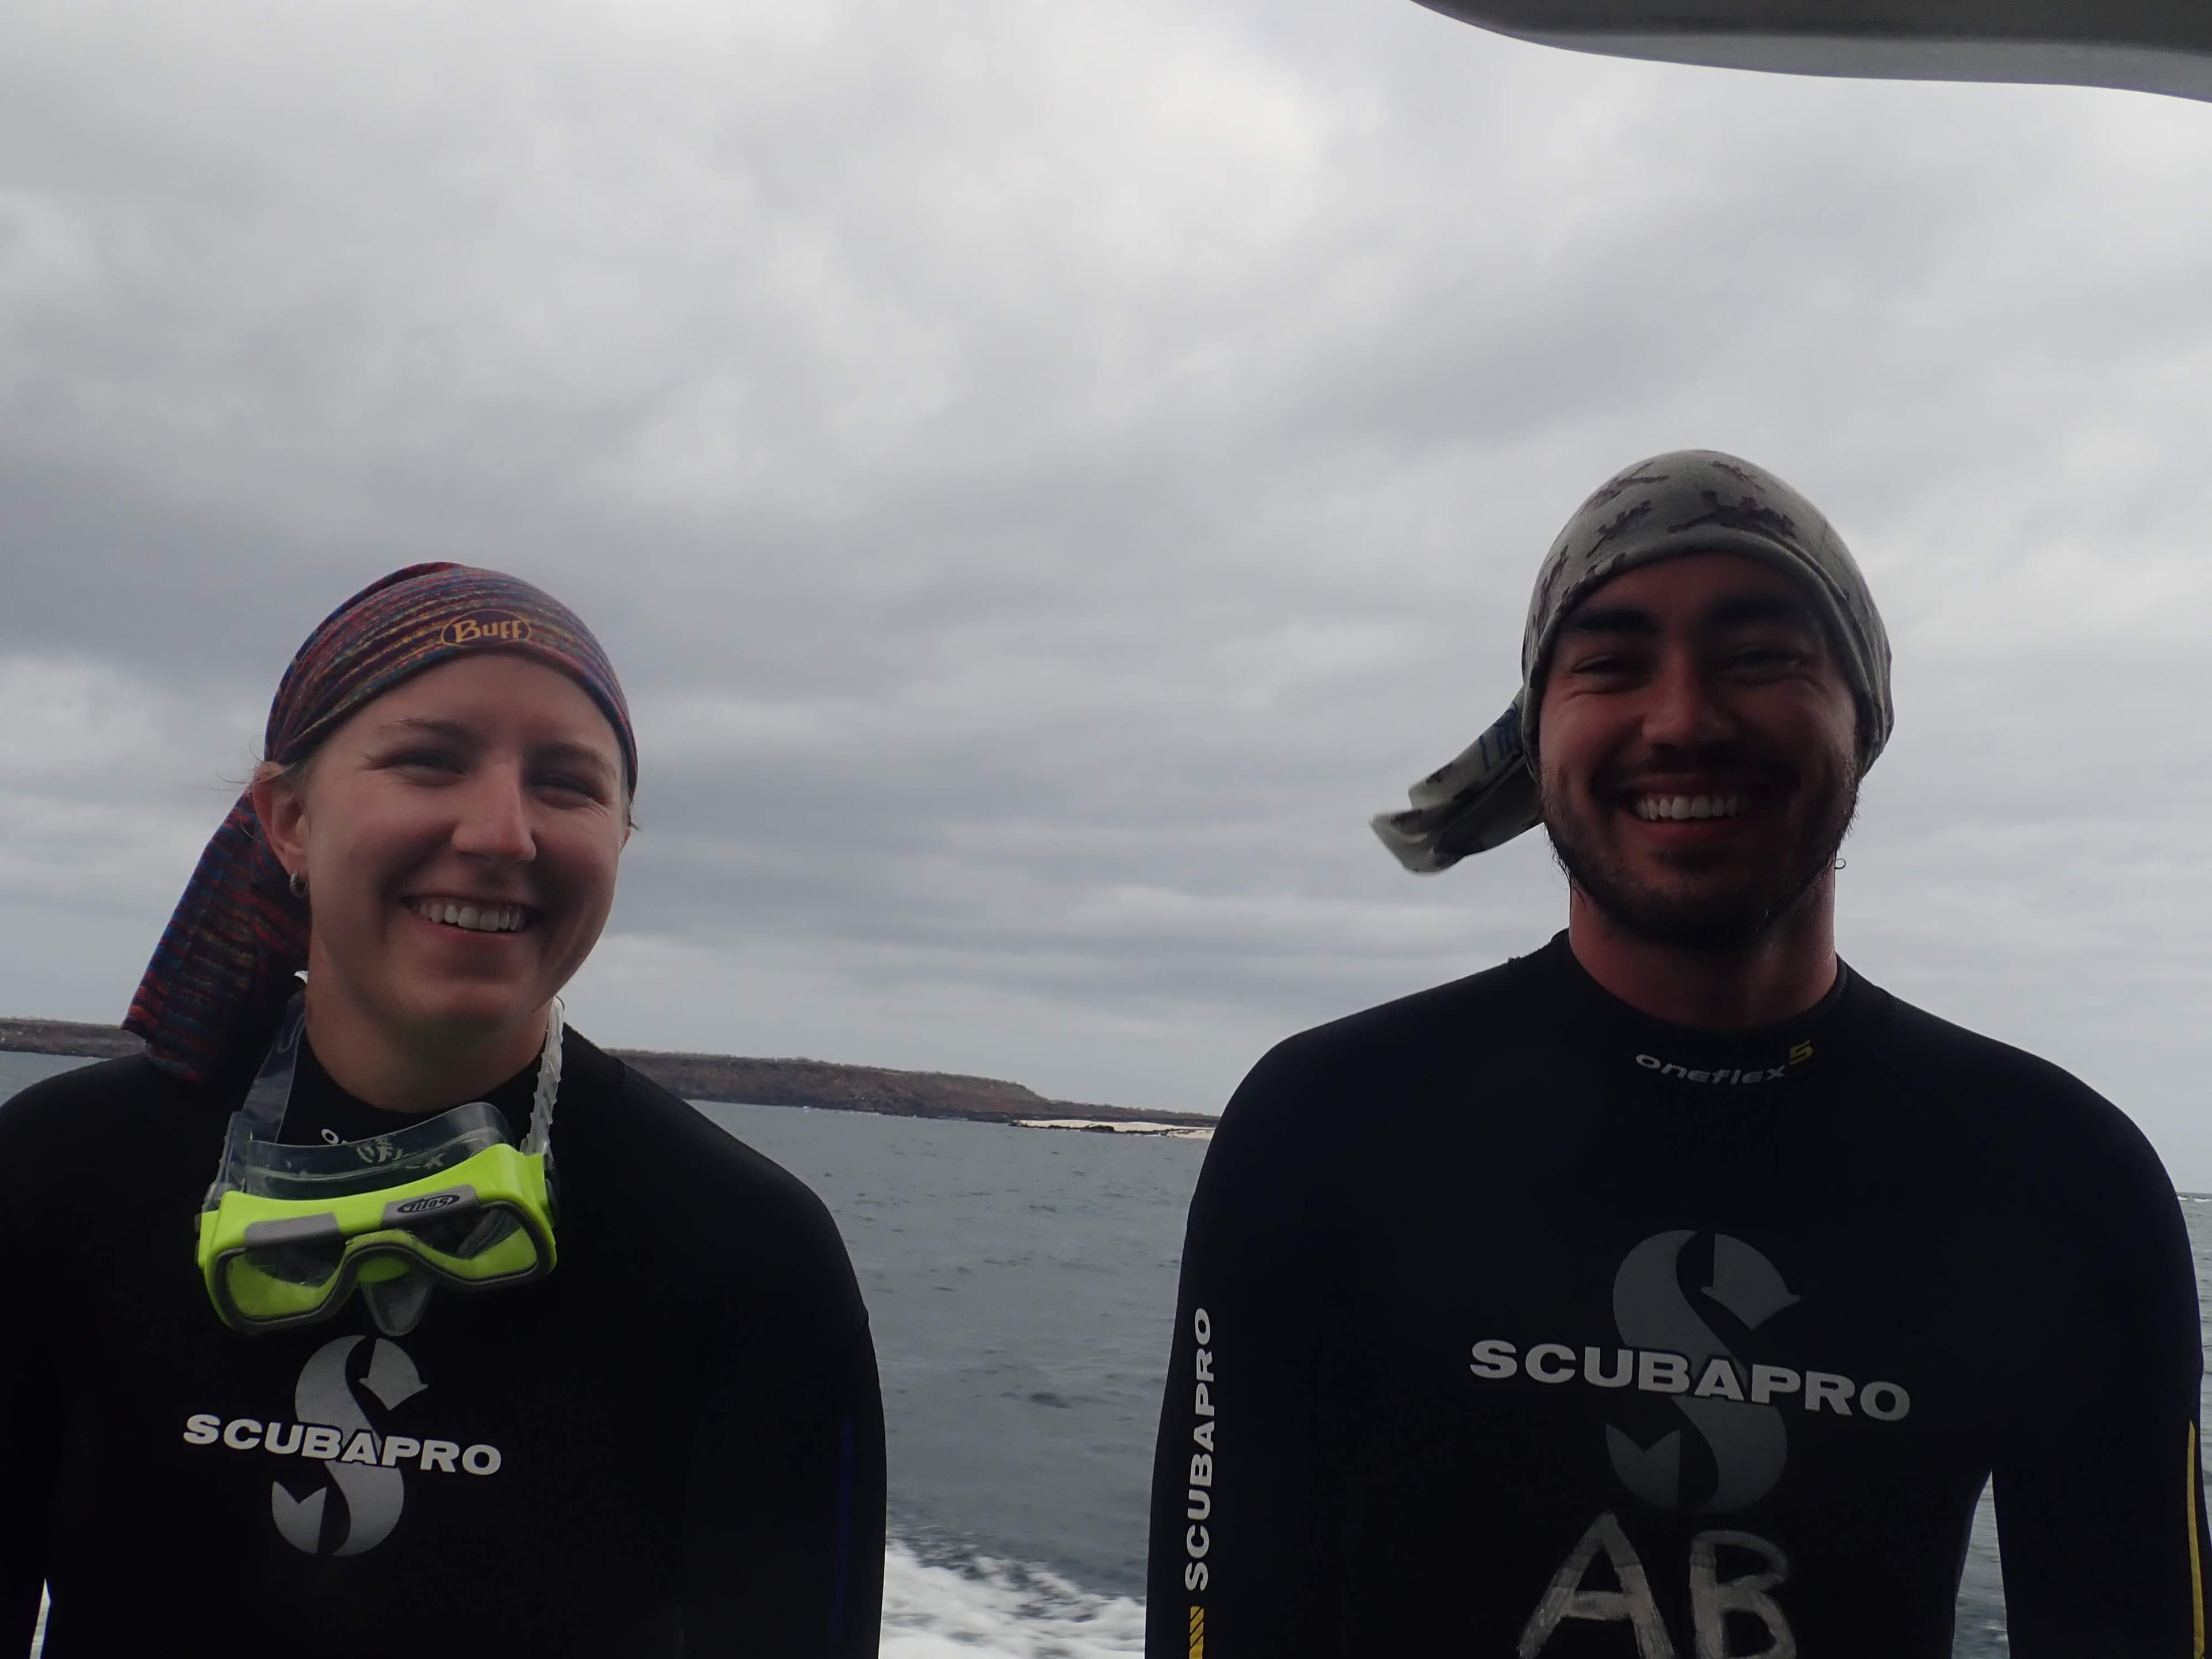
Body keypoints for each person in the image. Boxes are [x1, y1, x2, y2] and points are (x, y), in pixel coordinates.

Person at [1145, 451, 2207, 1657]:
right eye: (1609, 663)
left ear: (1865, 721)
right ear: (1540, 743)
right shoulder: (1325, 1129)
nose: (1685, 719)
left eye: (1760, 656)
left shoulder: (2065, 1184)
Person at [0, 564, 886, 1657]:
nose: (503, 832)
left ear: (619, 839)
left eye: (567, 784)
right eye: (430, 761)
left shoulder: (745, 1250)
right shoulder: (57, 1175)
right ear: (287, 817)